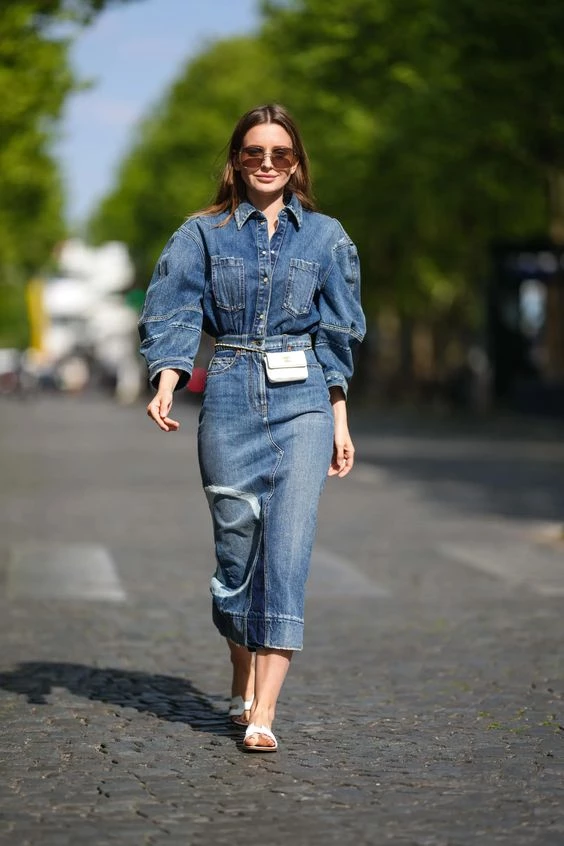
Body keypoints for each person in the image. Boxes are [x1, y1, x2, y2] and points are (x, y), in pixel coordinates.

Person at [139, 104, 365, 752]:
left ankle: (263, 710)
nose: (268, 164)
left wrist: (341, 418)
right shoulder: (201, 234)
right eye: (254, 153)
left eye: (281, 154)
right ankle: (240, 664)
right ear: (236, 161)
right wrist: (167, 378)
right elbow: (173, 305)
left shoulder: (327, 238)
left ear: (297, 163)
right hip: (232, 392)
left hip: (305, 409)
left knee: (288, 551)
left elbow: (338, 333)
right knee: (236, 557)